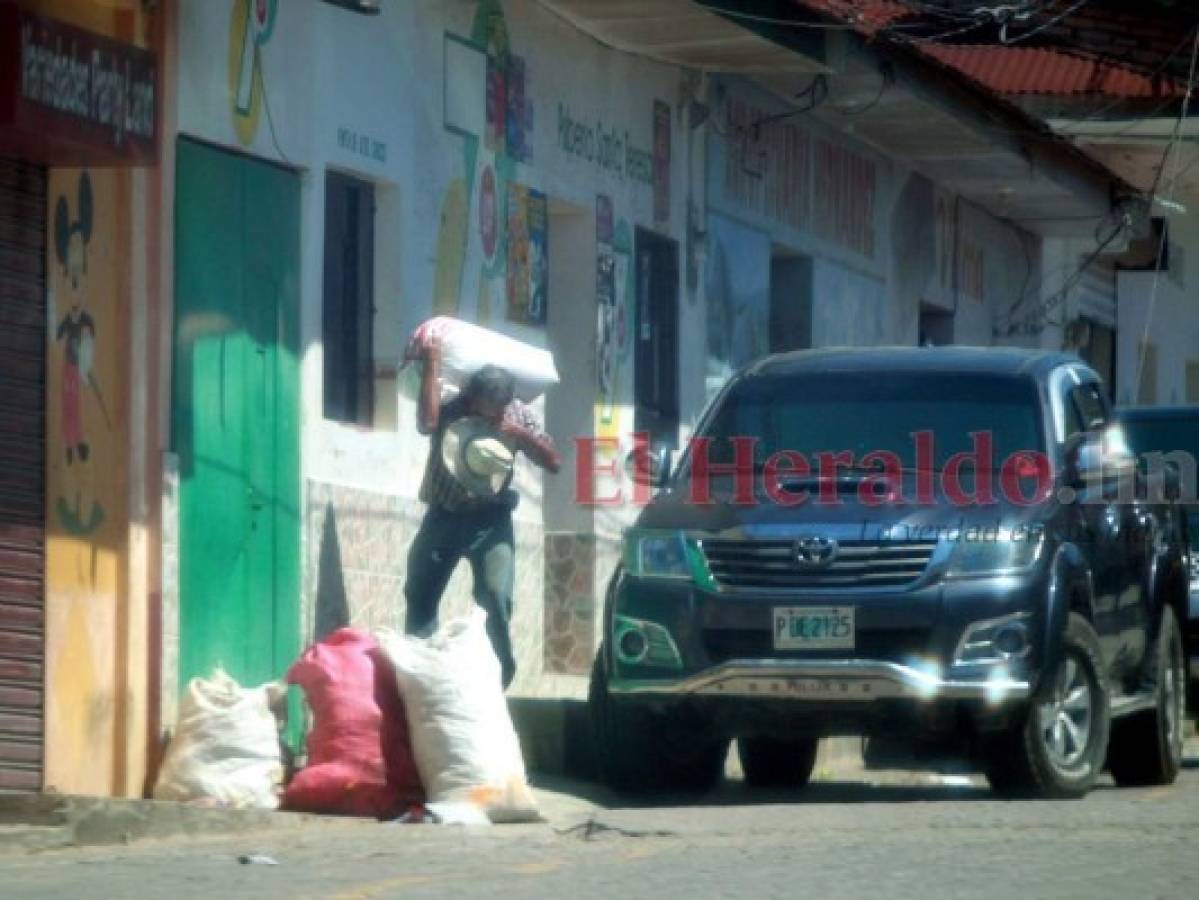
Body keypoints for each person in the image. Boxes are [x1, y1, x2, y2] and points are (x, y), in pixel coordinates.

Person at [404, 336, 560, 688]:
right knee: (419, 591)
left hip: (491, 520)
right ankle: (421, 676)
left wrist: (522, 435)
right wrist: (432, 363)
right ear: (470, 396)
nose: (485, 416)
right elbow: (426, 424)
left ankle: (499, 673)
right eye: (479, 408)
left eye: (493, 412)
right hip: (443, 514)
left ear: (505, 405)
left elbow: (554, 461)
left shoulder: (517, 414)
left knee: (495, 597)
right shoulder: (452, 405)